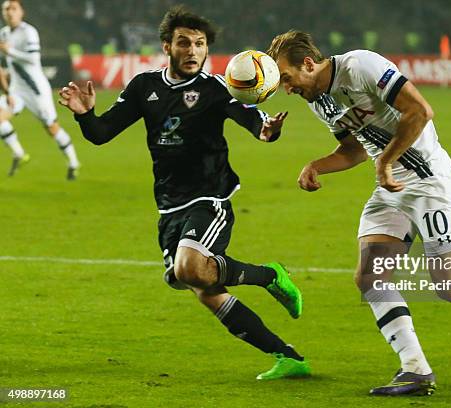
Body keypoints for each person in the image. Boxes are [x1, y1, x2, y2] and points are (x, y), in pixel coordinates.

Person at [267, 30, 451, 395]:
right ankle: (415, 370)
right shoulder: (319, 101)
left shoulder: (361, 65)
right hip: (391, 186)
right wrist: (316, 165)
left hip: (428, 181)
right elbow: (354, 150)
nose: (287, 88)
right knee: (369, 276)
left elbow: (420, 111)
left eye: (287, 77)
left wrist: (387, 162)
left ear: (309, 64)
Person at [59, 7, 311, 380]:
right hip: (168, 206)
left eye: (200, 44)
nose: (193, 50)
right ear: (167, 47)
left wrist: (267, 128)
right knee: (203, 287)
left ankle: (269, 276)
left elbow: (249, 117)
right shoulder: (144, 87)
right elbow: (101, 133)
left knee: (190, 268)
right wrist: (85, 115)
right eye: (184, 43)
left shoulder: (214, 89)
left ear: (206, 49)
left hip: (210, 198)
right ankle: (287, 356)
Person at [0, 0, 80, 179]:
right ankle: (19, 153)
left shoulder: (29, 32)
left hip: (37, 91)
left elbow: (33, 58)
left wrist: (10, 51)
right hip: (16, 90)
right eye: (6, 10)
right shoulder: (3, 34)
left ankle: (73, 163)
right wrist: (6, 92)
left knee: (52, 128)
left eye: (13, 9)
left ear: (21, 12)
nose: (9, 12)